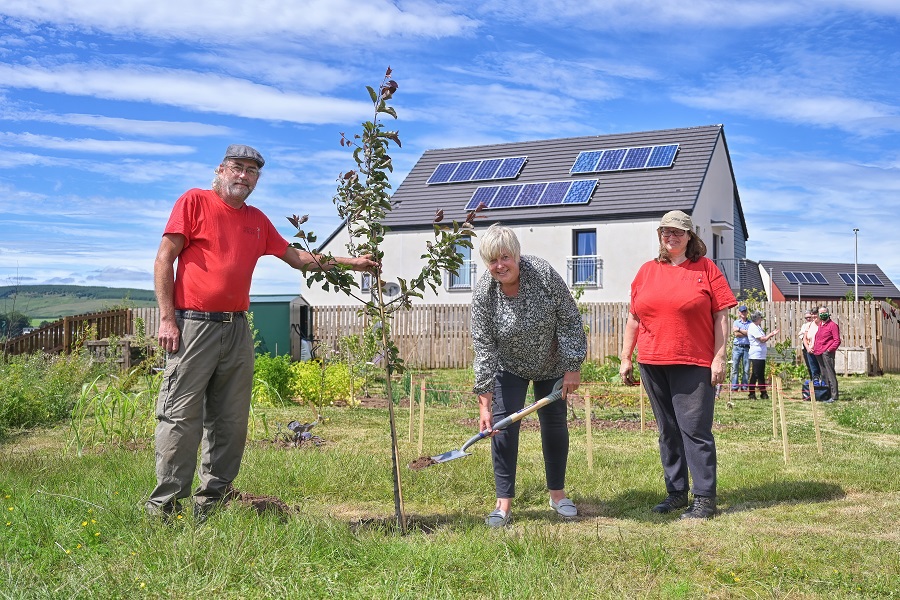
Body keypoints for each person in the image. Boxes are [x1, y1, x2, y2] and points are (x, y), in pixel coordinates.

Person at [146, 144, 377, 521]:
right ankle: (165, 509)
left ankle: (213, 503)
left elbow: (299, 258)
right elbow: (164, 259)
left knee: (231, 420)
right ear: (221, 169)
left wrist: (353, 263)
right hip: (192, 326)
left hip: (236, 328)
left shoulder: (257, 220)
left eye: (252, 172)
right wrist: (167, 319)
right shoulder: (194, 202)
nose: (244, 176)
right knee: (180, 417)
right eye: (237, 168)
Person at [619, 210, 736, 520]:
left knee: (694, 430)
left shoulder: (706, 268)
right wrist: (625, 358)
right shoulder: (646, 271)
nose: (670, 237)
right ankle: (675, 493)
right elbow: (634, 318)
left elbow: (722, 315)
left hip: (693, 362)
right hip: (652, 362)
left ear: (689, 236)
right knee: (668, 431)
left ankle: (704, 499)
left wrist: (719, 356)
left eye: (677, 232)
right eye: (664, 232)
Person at [471, 223, 587, 528]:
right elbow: (483, 345)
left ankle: (558, 495)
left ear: (517, 255)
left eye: (505, 257)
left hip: (550, 364)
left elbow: (569, 317)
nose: (499, 265)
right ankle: (503, 504)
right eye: (492, 260)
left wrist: (572, 365)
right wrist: (484, 403)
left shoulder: (543, 274)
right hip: (509, 366)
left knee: (554, 425)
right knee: (502, 428)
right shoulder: (485, 292)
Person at [812, 306, 841, 403]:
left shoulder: (832, 325)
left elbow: (837, 340)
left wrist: (829, 350)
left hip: (827, 353)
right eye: (821, 313)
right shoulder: (820, 325)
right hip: (818, 352)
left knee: (830, 373)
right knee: (824, 375)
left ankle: (834, 396)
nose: (822, 314)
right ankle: (826, 394)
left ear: (828, 313)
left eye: (824, 312)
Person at [747, 311, 779, 400]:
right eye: (760, 317)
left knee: (761, 374)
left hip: (761, 354)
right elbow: (762, 339)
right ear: (757, 318)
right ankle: (751, 393)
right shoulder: (753, 327)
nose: (761, 319)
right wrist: (771, 334)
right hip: (756, 354)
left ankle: (763, 393)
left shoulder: (758, 327)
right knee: (755, 374)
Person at [731, 305, 751, 391]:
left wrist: (739, 329)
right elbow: (736, 334)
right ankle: (734, 386)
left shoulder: (750, 323)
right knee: (735, 367)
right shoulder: (736, 322)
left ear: (747, 312)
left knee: (746, 368)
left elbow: (750, 333)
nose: (743, 313)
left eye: (745, 311)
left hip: (747, 348)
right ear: (739, 313)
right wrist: (745, 333)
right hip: (737, 347)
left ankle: (744, 386)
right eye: (742, 312)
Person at [798, 309, 821, 381]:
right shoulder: (805, 325)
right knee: (811, 367)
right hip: (807, 348)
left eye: (809, 317)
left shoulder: (818, 324)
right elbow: (801, 335)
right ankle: (813, 381)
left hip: (817, 348)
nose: (808, 319)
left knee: (819, 367)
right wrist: (807, 346)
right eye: (806, 318)